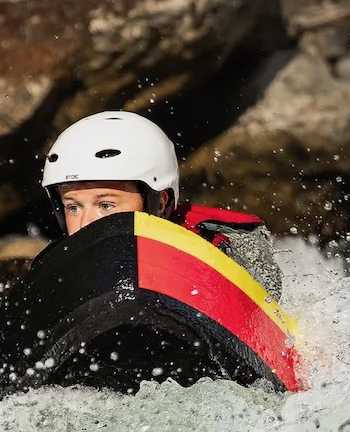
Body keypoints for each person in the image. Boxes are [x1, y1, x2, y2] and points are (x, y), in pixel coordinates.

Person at [40, 110, 283, 300]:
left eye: (105, 205)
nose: (85, 224)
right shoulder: (54, 266)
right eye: (73, 207)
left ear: (159, 204)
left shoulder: (223, 244)